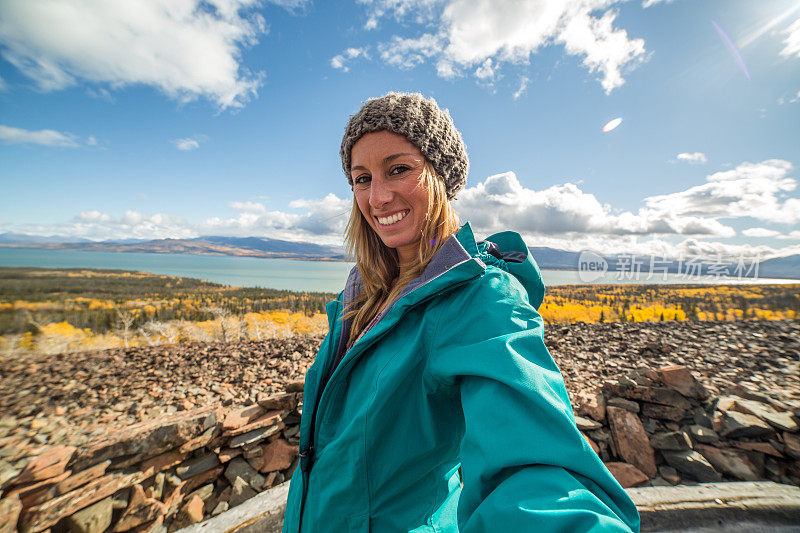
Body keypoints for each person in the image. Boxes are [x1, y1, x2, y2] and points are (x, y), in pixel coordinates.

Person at [282, 92, 640, 532]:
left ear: (440, 175)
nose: (376, 197)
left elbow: (531, 465)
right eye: (361, 178)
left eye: (398, 169)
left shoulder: (480, 299)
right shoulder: (365, 293)